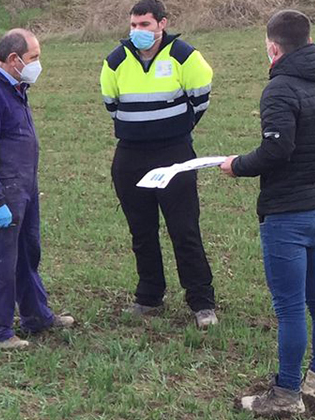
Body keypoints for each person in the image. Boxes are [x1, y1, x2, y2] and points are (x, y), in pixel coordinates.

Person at [218, 9, 315, 417]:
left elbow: (276, 150)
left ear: (274, 48)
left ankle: (285, 395)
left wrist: (237, 165)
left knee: (290, 307)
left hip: (287, 212)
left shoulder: (279, 90)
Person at [100, 0, 219, 328]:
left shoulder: (185, 56)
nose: (137, 31)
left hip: (173, 153)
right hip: (130, 155)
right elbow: (111, 104)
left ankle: (202, 302)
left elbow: (200, 99)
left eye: (145, 25)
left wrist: (172, 129)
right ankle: (149, 296)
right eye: (134, 25)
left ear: (162, 24)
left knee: (184, 230)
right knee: (141, 231)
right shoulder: (115, 61)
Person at [0, 29, 75, 350]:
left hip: (24, 186)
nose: (38, 64)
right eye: (34, 58)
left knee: (28, 254)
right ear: (14, 59)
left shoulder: (16, 88)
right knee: (0, 261)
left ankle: (36, 316)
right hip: (4, 191)